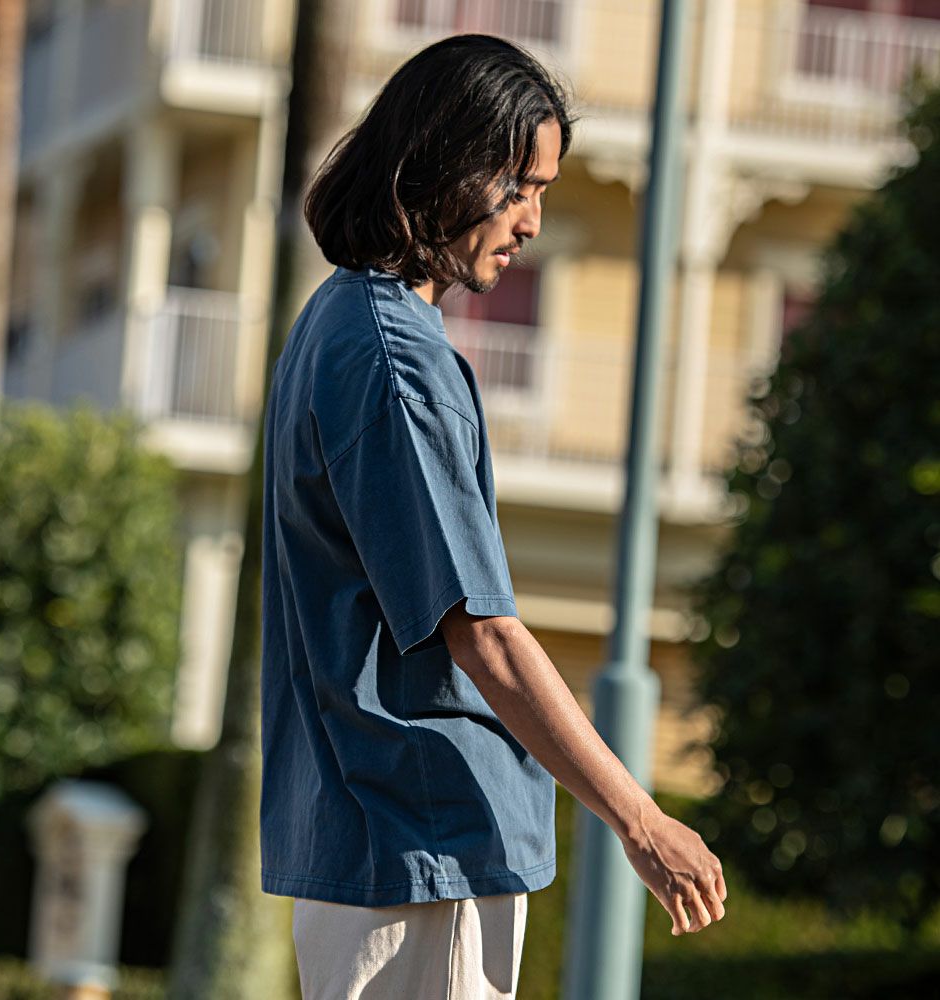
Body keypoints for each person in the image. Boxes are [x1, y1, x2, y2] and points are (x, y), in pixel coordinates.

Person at [259, 33, 727, 1000]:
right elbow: (484, 636)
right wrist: (642, 821)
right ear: (442, 164)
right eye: (516, 186)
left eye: (542, 190)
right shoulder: (395, 360)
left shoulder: (336, 323)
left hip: (382, 840)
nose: (531, 221)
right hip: (422, 844)